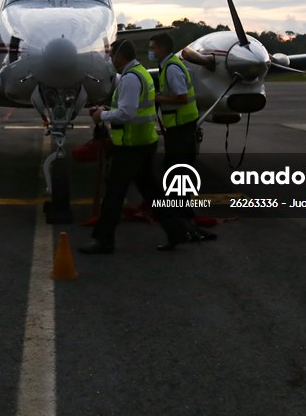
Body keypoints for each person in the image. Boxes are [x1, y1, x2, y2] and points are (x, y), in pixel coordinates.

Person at [80, 39, 187, 253]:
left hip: (131, 147)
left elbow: (127, 113)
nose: (110, 58)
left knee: (114, 195)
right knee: (152, 193)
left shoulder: (129, 78)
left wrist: (102, 115)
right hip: (145, 142)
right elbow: (133, 106)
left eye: (111, 55)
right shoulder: (142, 73)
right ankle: (177, 231)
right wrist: (109, 107)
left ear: (120, 56)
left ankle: (103, 241)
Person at [149, 33, 216, 242]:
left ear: (162, 48)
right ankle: (185, 218)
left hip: (181, 130)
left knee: (175, 172)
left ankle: (183, 221)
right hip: (180, 128)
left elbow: (182, 97)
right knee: (178, 173)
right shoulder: (170, 65)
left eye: (153, 48)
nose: (150, 51)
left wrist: (156, 97)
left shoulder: (172, 68)